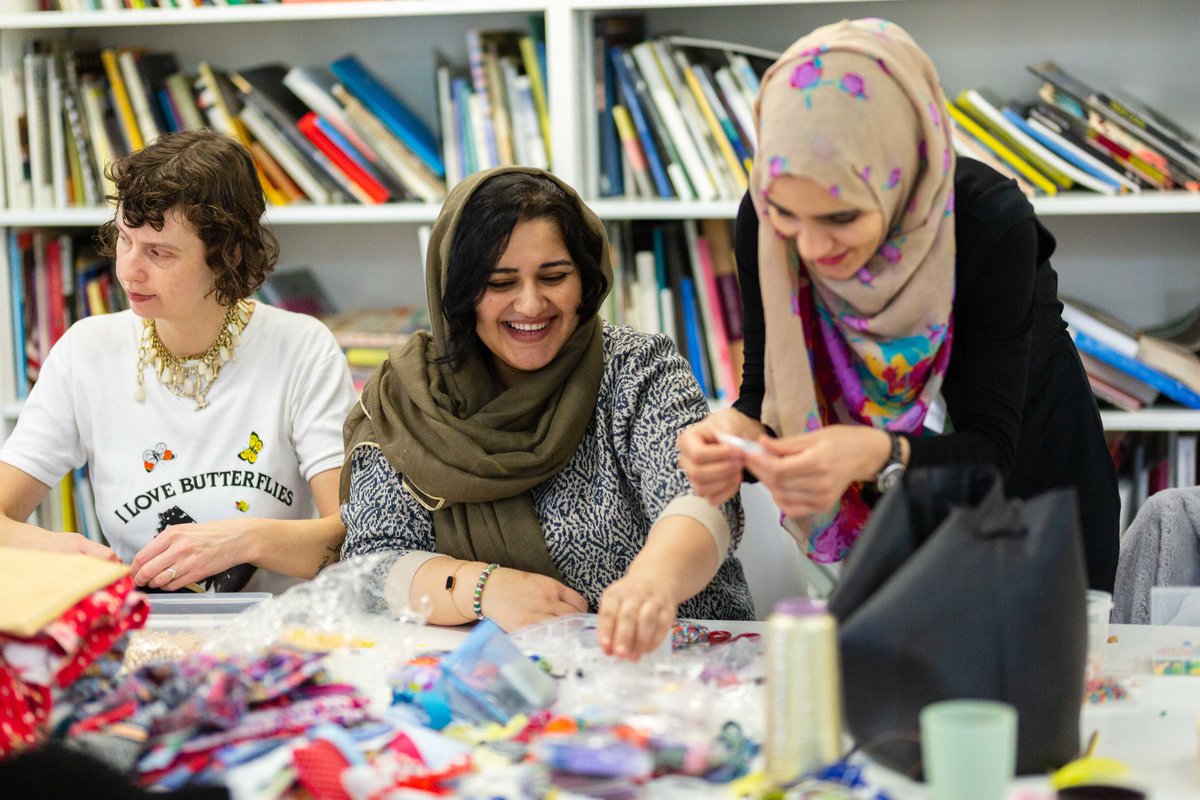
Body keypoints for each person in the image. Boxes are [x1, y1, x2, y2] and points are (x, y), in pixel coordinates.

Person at [677, 18, 1120, 592]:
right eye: (788, 217)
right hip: (882, 513)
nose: (809, 248)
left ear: (896, 176)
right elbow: (766, 393)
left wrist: (873, 451)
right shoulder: (764, 219)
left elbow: (990, 451)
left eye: (841, 218)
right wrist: (732, 435)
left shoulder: (986, 222)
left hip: (1028, 499)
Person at [340, 166, 754, 657]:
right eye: (500, 282)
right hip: (500, 689)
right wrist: (483, 589)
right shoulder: (409, 399)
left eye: (554, 277)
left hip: (679, 670)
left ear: (587, 280)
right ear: (458, 294)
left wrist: (652, 583)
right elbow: (369, 567)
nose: (531, 304)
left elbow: (703, 498)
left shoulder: (638, 369)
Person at [0, 129, 357, 593]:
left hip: (275, 634)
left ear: (228, 254)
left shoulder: (301, 348)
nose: (128, 270)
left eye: (159, 252)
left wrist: (242, 540)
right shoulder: (86, 351)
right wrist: (56, 549)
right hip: (145, 634)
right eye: (125, 241)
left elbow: (348, 535)